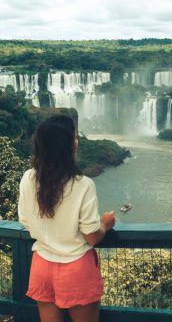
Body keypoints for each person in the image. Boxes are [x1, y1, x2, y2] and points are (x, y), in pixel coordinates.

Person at [18, 115, 115, 322]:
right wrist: (105, 225)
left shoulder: (28, 179)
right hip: (76, 268)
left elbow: (25, 222)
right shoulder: (83, 184)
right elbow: (91, 237)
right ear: (70, 145)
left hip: (41, 266)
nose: (77, 141)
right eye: (75, 136)